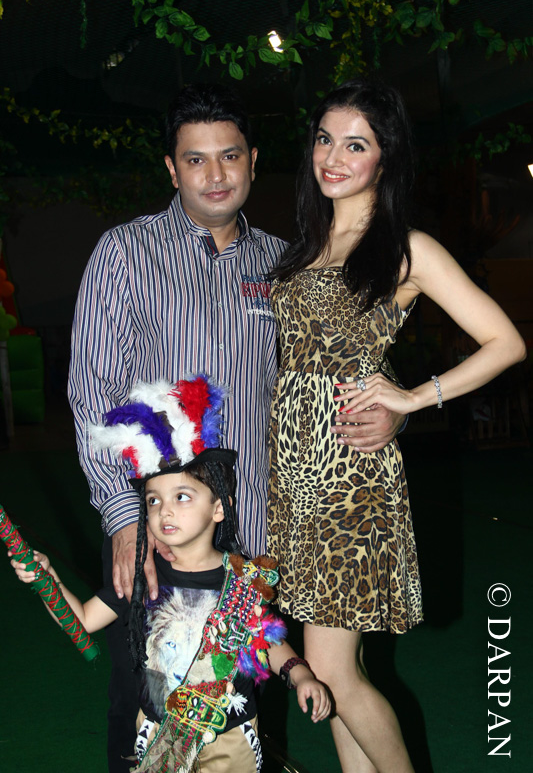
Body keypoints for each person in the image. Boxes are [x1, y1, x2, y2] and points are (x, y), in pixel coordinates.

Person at [67, 83, 402, 771]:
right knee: (154, 704)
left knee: (245, 697)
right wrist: (125, 518)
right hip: (161, 525)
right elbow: (92, 394)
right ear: (172, 169)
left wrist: (388, 406)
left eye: (229, 156)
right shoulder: (125, 253)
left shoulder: (284, 262)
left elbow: (328, 364)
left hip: (256, 524)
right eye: (195, 159)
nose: (214, 174)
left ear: (252, 160)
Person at [267, 78, 526, 773]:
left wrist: (414, 398)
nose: (333, 157)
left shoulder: (407, 248)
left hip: (349, 475)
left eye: (355, 145)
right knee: (333, 672)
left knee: (329, 667)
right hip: (293, 476)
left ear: (386, 157)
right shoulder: (306, 244)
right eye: (325, 140)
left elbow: (505, 342)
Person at [10, 375, 331, 772]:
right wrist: (48, 580)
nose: (164, 510)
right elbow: (83, 620)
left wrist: (299, 674)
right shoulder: (143, 579)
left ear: (219, 507)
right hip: (161, 737)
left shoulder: (243, 578)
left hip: (231, 738)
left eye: (182, 497)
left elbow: (264, 640)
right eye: (153, 500)